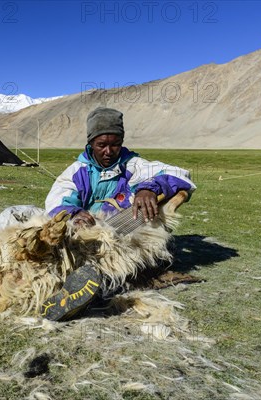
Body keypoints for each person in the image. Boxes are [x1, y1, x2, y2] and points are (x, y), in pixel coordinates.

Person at [40, 106, 197, 320]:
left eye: (115, 145)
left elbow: (180, 175)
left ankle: (83, 289)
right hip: (82, 238)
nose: (108, 151)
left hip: (120, 237)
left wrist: (149, 188)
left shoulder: (133, 165)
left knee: (132, 240)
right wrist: (74, 212)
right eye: (101, 145)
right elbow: (58, 199)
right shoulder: (77, 172)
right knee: (17, 218)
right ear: (90, 144)